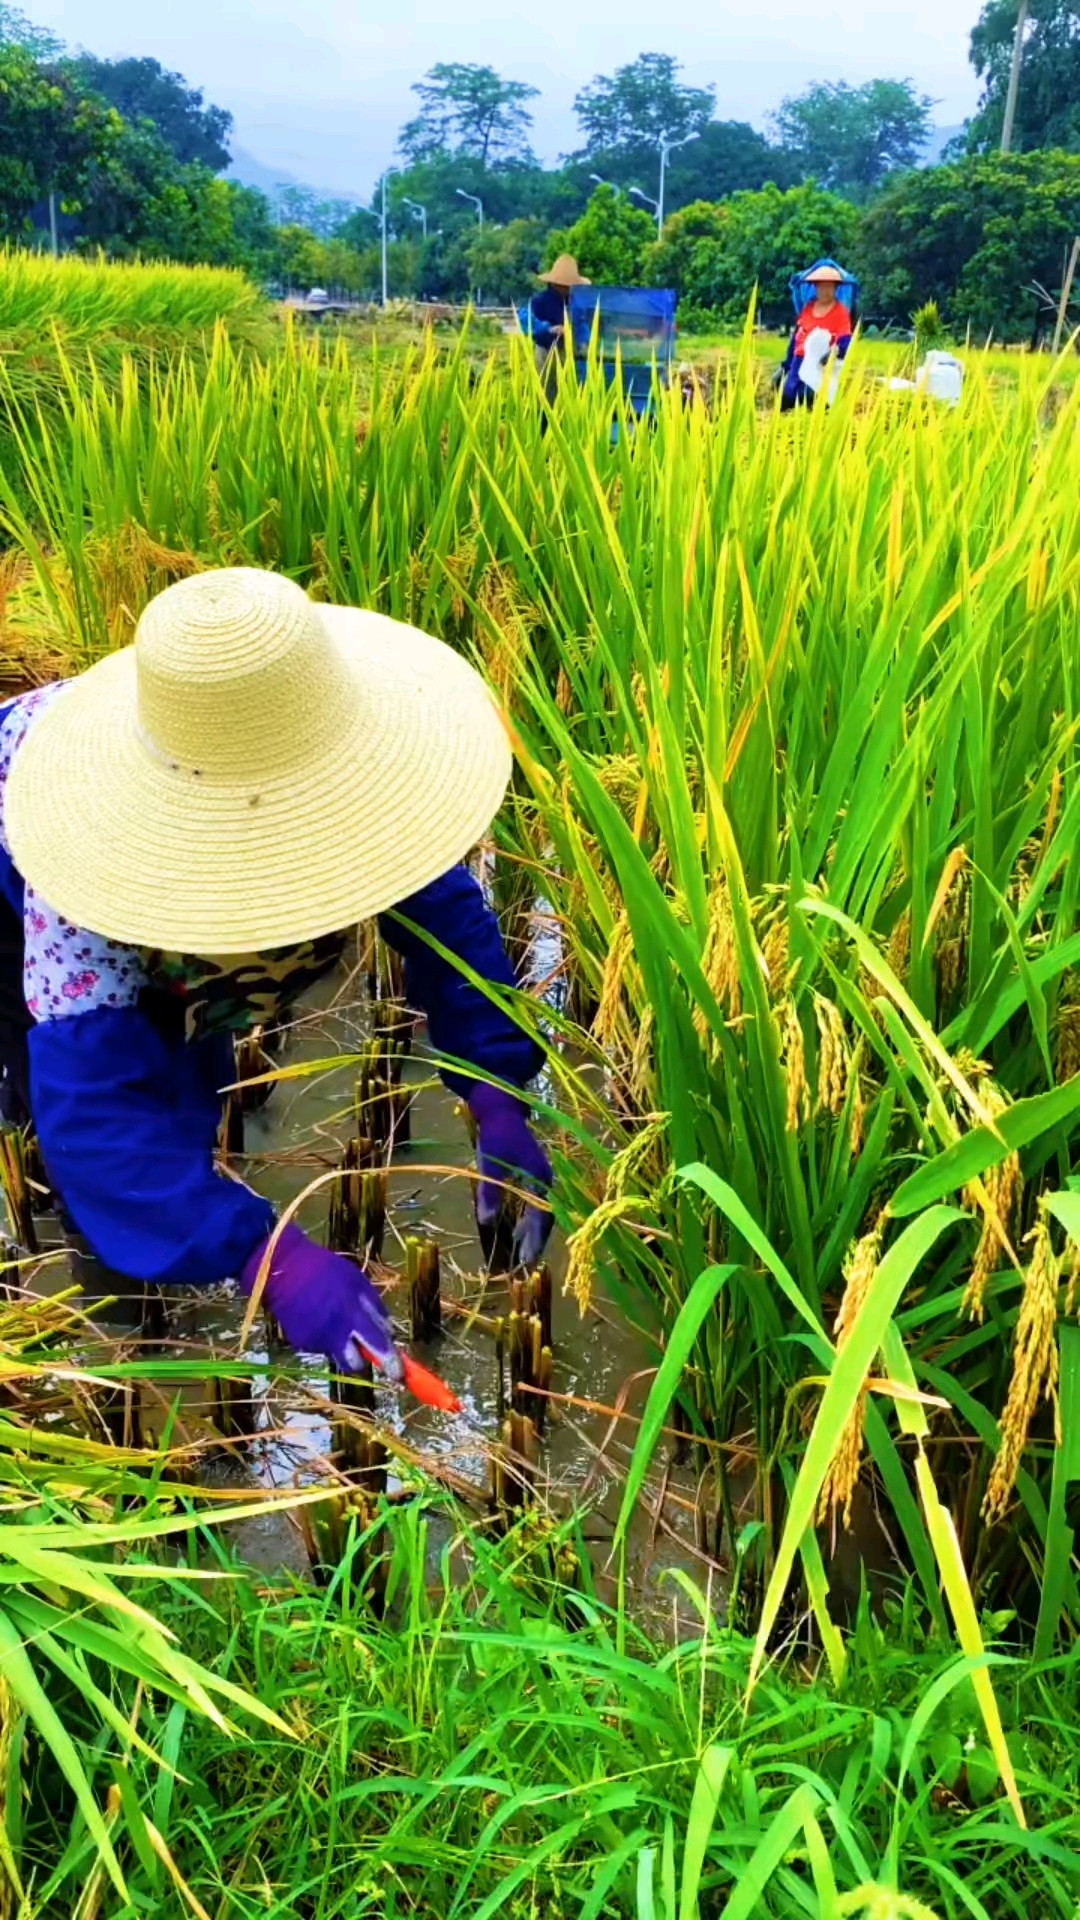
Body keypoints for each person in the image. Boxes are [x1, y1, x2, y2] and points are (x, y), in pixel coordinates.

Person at [0, 568, 553, 1393]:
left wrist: (496, 1090)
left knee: (193, 1071)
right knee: (77, 1094)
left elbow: (446, 916)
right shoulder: (82, 892)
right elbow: (101, 1120)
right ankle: (119, 1321)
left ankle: (174, 1218)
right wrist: (274, 1259)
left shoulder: (356, 772)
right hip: (16, 853)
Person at [779, 263, 854, 412]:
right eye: (821, 287)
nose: (824, 291)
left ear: (836, 288)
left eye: (829, 287)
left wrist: (836, 350)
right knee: (788, 393)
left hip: (821, 363)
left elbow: (845, 341)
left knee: (811, 395)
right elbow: (797, 338)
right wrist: (786, 363)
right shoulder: (808, 308)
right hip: (800, 359)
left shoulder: (841, 312)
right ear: (816, 287)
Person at [519, 254, 590, 391]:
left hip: (571, 355)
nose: (567, 289)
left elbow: (582, 326)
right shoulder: (540, 301)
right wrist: (550, 329)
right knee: (547, 394)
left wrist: (584, 342)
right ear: (554, 284)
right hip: (547, 355)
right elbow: (525, 321)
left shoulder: (576, 303)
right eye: (564, 285)